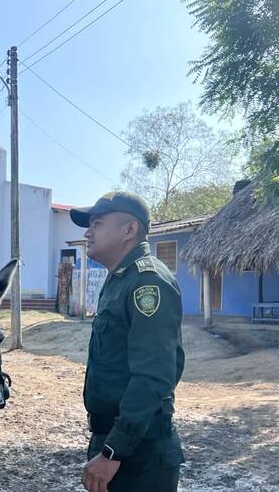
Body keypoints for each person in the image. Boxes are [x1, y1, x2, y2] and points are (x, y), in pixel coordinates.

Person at [70, 192, 186, 492]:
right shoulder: (121, 279)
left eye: (97, 223)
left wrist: (113, 452)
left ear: (129, 230)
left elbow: (153, 376)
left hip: (139, 454)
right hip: (119, 442)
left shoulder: (148, 282)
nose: (87, 232)